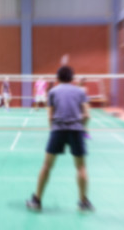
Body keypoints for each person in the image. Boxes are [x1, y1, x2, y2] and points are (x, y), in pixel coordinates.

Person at [26, 66, 93, 211]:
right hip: (76, 130)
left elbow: (50, 116)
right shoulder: (80, 91)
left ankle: (37, 200)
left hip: (58, 130)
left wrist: (53, 131)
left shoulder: (53, 92)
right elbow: (87, 115)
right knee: (81, 167)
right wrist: (82, 128)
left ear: (57, 78)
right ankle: (84, 202)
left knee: (47, 166)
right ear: (72, 78)